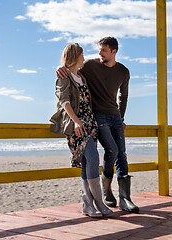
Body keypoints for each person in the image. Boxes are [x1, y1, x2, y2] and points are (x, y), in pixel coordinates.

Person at [57, 37, 139, 213]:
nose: (98, 53)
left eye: (103, 50)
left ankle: (123, 199)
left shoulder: (122, 71)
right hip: (94, 119)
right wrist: (60, 68)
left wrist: (122, 117)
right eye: (99, 50)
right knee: (108, 152)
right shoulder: (89, 66)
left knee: (120, 154)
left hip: (108, 119)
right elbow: (68, 77)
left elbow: (123, 97)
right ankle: (103, 193)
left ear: (113, 51)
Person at [50, 43, 113, 218]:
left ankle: (88, 205)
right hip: (77, 126)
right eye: (82, 55)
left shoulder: (81, 77)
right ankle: (98, 202)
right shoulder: (64, 77)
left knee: (87, 163)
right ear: (75, 56)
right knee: (93, 158)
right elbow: (65, 101)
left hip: (90, 125)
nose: (84, 58)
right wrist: (77, 122)